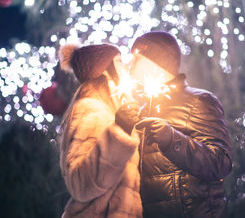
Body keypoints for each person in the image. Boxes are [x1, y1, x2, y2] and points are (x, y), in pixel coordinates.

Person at [130, 32, 232, 218]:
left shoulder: (199, 101)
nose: (130, 66)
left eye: (136, 58)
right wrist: (121, 128)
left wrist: (173, 140)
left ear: (155, 65)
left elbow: (221, 163)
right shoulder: (142, 110)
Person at [58, 43, 143, 218]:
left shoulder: (110, 111)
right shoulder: (90, 109)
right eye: (119, 62)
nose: (125, 66)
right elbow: (79, 184)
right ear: (105, 73)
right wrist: (119, 133)